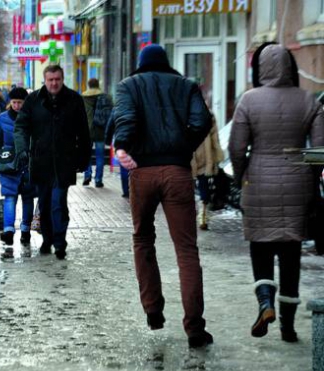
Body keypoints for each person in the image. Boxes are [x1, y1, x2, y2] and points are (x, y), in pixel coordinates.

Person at [113, 44, 214, 348]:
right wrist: (181, 148)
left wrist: (122, 146)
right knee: (187, 251)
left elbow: (127, 119)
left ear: (141, 64)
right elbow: (202, 122)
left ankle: (153, 310)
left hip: (142, 172)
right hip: (177, 172)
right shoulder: (186, 86)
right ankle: (194, 327)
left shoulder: (128, 86)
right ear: (166, 63)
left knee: (143, 239)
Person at [228, 43, 324, 342]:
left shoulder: (248, 100)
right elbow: (319, 151)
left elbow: (236, 147)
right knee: (291, 252)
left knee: (260, 245)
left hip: (257, 181)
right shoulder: (309, 99)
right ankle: (288, 326)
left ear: (260, 69)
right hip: (298, 183)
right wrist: (308, 178)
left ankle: (265, 302)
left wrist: (241, 174)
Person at [14, 64, 91, 260]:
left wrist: (83, 157)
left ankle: (59, 242)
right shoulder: (33, 100)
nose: (54, 83)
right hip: (41, 160)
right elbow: (21, 127)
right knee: (45, 203)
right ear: (45, 80)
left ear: (62, 79)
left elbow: (83, 131)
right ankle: (47, 239)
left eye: (57, 79)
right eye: (50, 80)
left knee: (58, 202)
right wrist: (22, 149)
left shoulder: (74, 99)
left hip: (64, 161)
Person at [0, 87, 36, 246]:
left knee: (27, 198)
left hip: (28, 163)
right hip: (8, 163)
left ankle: (25, 230)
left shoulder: (33, 117)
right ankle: (8, 230)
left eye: (20, 102)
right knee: (9, 197)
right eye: (14, 102)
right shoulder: (2, 118)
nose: (16, 106)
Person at [191, 116, 223, 230]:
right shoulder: (208, 114)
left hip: (190, 156)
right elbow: (215, 138)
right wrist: (216, 155)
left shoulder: (181, 110)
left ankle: (196, 214)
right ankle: (202, 216)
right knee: (203, 185)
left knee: (190, 186)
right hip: (205, 155)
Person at [82, 78, 113, 188]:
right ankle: (98, 180)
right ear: (98, 85)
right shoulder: (105, 97)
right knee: (100, 156)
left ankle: (87, 174)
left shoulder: (83, 97)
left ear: (89, 85)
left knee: (87, 155)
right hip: (100, 129)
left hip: (87, 130)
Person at [105, 107, 130, 198]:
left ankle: (126, 191)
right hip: (136, 140)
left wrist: (107, 139)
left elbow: (110, 124)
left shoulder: (117, 108)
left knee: (124, 167)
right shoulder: (139, 105)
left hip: (121, 139)